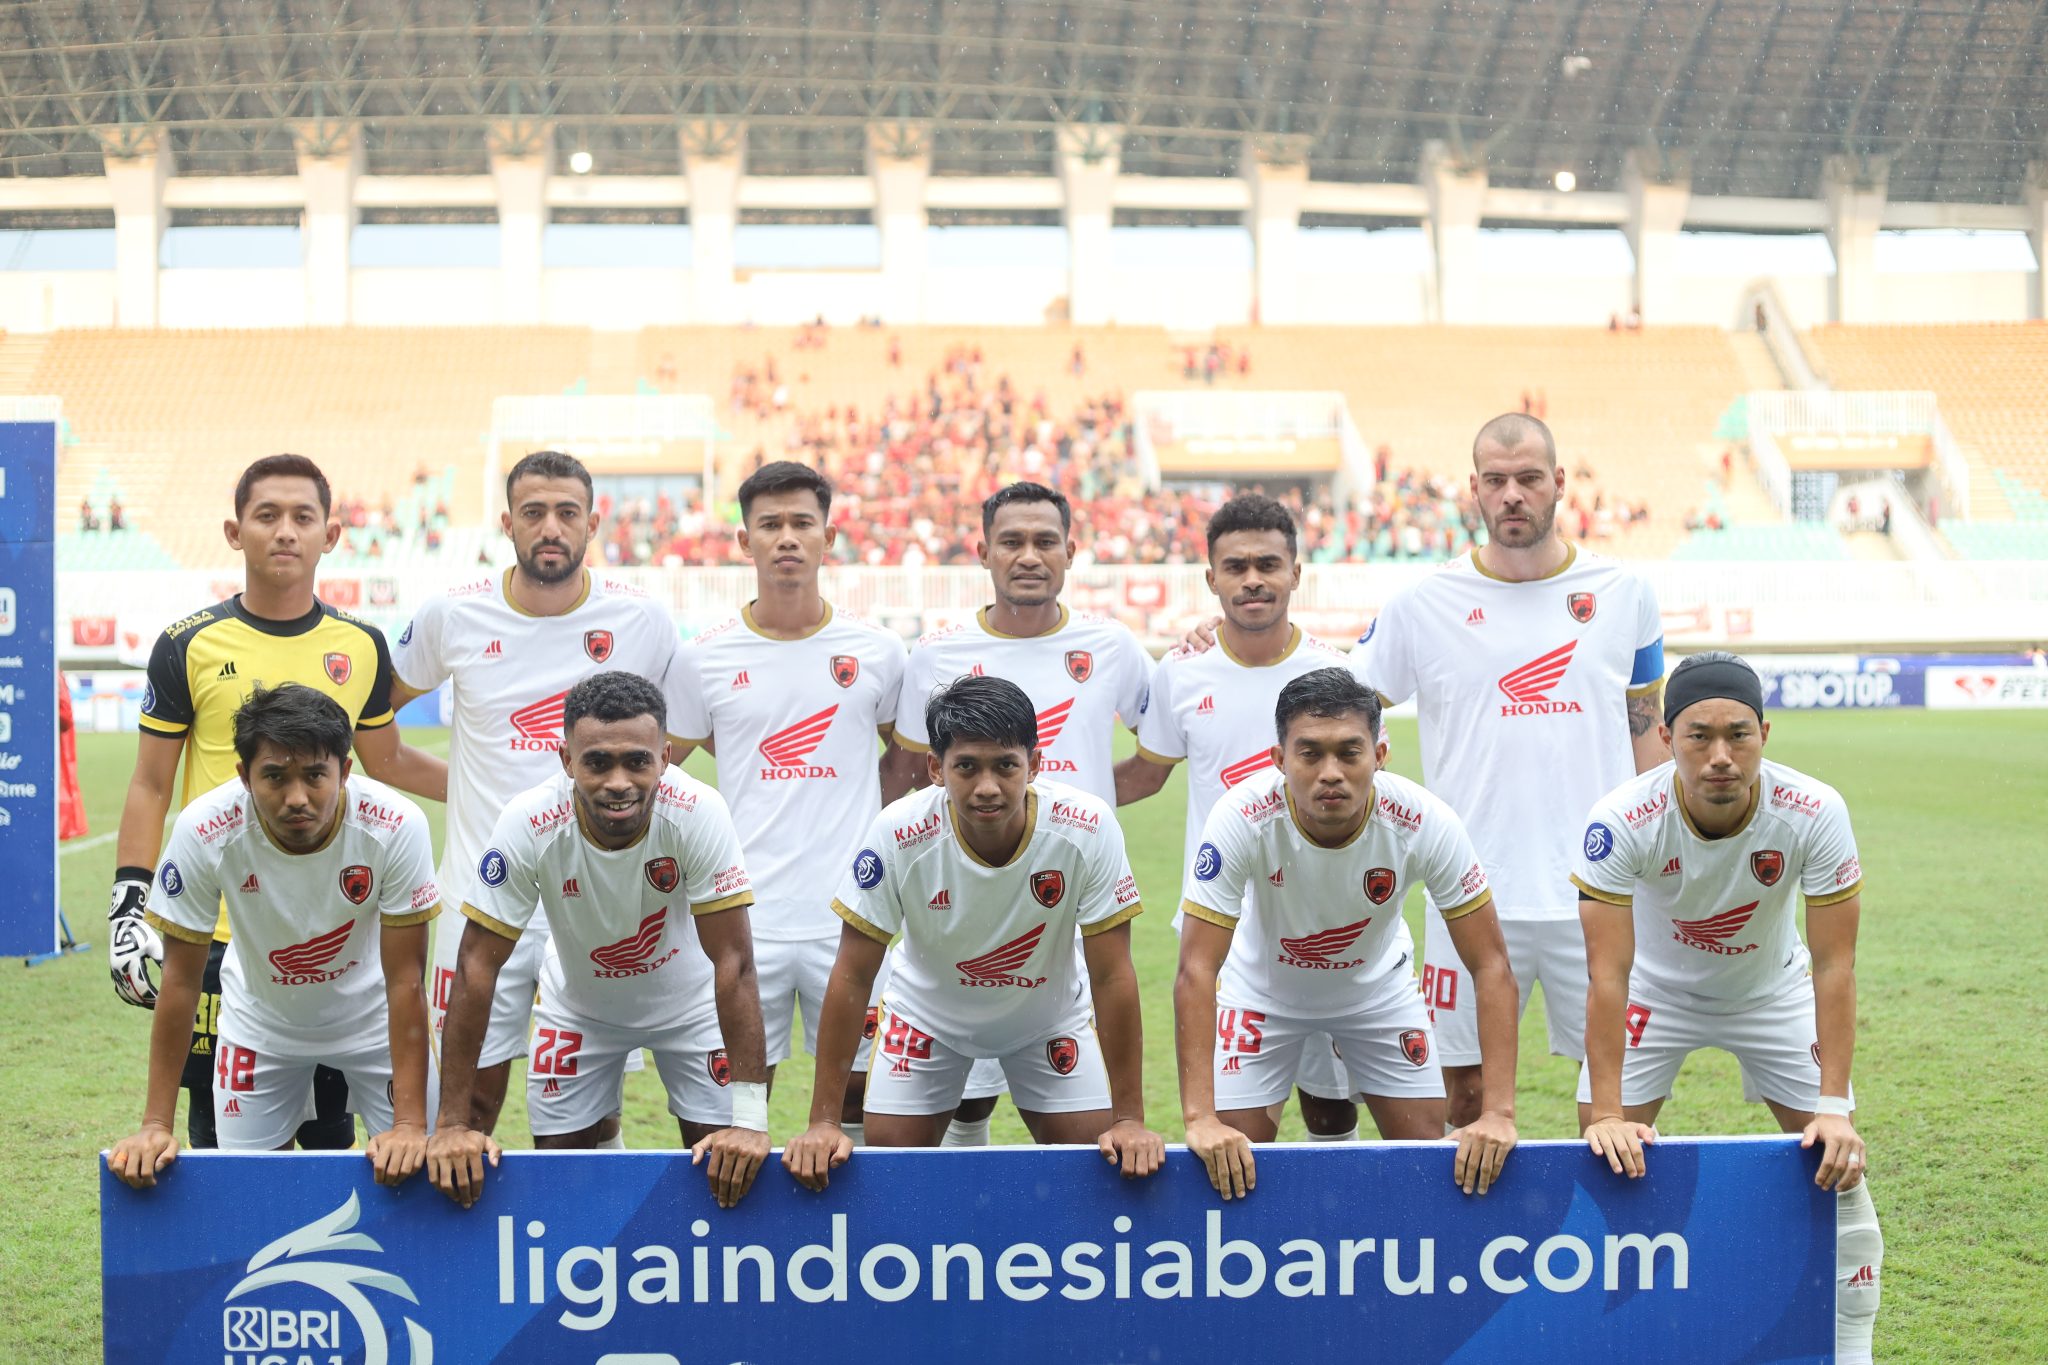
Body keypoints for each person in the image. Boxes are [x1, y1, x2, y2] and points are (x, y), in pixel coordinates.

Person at [1184, 415, 1665, 1131]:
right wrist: (1222, 637)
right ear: (1473, 489)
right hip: (1467, 888)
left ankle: (1592, 1245)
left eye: (1529, 478)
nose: (1512, 495)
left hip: (1593, 889)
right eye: (1495, 481)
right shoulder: (1423, 602)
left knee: (1613, 1101)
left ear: (1558, 483)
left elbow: (1646, 734)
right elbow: (1334, 702)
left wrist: (1657, 866)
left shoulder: (1625, 593)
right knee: (1459, 1101)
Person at [107, 453, 446, 1152]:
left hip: (331, 918)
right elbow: (149, 784)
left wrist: (488, 788)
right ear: (236, 532)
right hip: (226, 921)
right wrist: (129, 902)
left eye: (302, 517)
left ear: (332, 534)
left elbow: (383, 762)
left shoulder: (360, 643)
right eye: (267, 516)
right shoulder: (187, 643)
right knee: (219, 1139)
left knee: (330, 1138)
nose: (285, 531)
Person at [1572, 651, 1881, 1364]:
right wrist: (1611, 1111)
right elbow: (1608, 974)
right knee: (1599, 1161)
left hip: (1771, 990)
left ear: (1766, 734)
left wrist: (1834, 1100)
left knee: (1839, 1164)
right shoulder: (1621, 819)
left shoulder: (1815, 810)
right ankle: (1608, 1332)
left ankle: (1852, 1347)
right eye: (1698, 735)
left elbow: (1836, 964)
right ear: (1666, 737)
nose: (1719, 755)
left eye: (1738, 734)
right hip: (1653, 992)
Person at [390, 449, 691, 1142]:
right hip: (479, 895)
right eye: (533, 513)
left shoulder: (642, 619)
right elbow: (375, 721)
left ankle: (596, 1246)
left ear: (593, 522)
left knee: (588, 1115)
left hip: (600, 904)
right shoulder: (452, 614)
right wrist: (463, 789)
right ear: (507, 522)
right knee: (465, 1109)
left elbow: (673, 746)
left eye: (565, 513)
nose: (550, 527)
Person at [782, 675, 1163, 1188]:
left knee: (1093, 1170)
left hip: (1047, 1021)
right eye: (966, 767)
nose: (987, 787)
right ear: (936, 768)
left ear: (1036, 763)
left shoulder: (1086, 827)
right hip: (927, 1019)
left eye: (1006, 765)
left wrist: (1129, 1119)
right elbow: (852, 975)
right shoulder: (898, 831)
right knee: (894, 1175)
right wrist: (823, 1122)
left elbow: (1114, 975)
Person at [427, 672, 770, 1210]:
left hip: (692, 1010)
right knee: (563, 1185)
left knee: (726, 1173)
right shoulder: (529, 821)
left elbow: (733, 961)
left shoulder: (699, 812)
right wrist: (449, 1123)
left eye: (637, 761)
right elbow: (475, 964)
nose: (618, 782)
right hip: (578, 1010)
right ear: (566, 760)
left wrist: (751, 1120)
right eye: (596, 762)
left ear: (666, 756)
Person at [1175, 670, 1518, 1200]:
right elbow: (1196, 969)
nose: (1329, 773)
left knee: (1428, 1160)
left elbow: (1491, 965)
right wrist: (1199, 1116)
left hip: (1377, 995)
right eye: (1309, 754)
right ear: (1278, 759)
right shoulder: (1240, 817)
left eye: (1349, 753)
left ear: (1380, 754)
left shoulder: (1426, 820)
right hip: (1261, 994)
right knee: (1227, 1157)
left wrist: (1498, 1111)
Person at [882, 481, 1154, 1146]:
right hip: (966, 898)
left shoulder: (1112, 646)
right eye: (1011, 541)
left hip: (1067, 898)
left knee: (1080, 1122)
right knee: (966, 1104)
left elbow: (1158, 755)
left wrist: (1080, 818)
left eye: (1044, 541)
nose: (1028, 555)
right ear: (983, 552)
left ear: (1070, 551)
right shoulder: (936, 653)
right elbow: (910, 779)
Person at [1115, 493, 1384, 1143]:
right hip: (1222, 924)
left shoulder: (1336, 670)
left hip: (1322, 918)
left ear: (1297, 571)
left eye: (1269, 563)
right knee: (1235, 1125)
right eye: (1235, 566)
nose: (1253, 579)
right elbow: (1147, 773)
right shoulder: (1180, 672)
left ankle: (1330, 1235)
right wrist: (1034, 801)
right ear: (1211, 578)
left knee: (1331, 1107)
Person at [667, 462, 915, 1147]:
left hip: (856, 917)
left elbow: (906, 760)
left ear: (828, 537)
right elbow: (661, 773)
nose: (787, 538)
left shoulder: (878, 652)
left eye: (802, 523)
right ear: (743, 542)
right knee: (734, 1120)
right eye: (770, 524)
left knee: (871, 1109)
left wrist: (871, 843)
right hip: (745, 924)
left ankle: (860, 1248)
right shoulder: (705, 659)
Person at [106, 685, 438, 1187]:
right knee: (253, 1191)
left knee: (421, 1171)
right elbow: (179, 982)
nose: (296, 798)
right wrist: (155, 1124)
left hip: (375, 1020)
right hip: (261, 1023)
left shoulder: (397, 825)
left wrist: (411, 1126)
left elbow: (406, 981)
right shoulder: (203, 829)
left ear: (346, 772)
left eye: (315, 776)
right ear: (244, 776)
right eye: (275, 777)